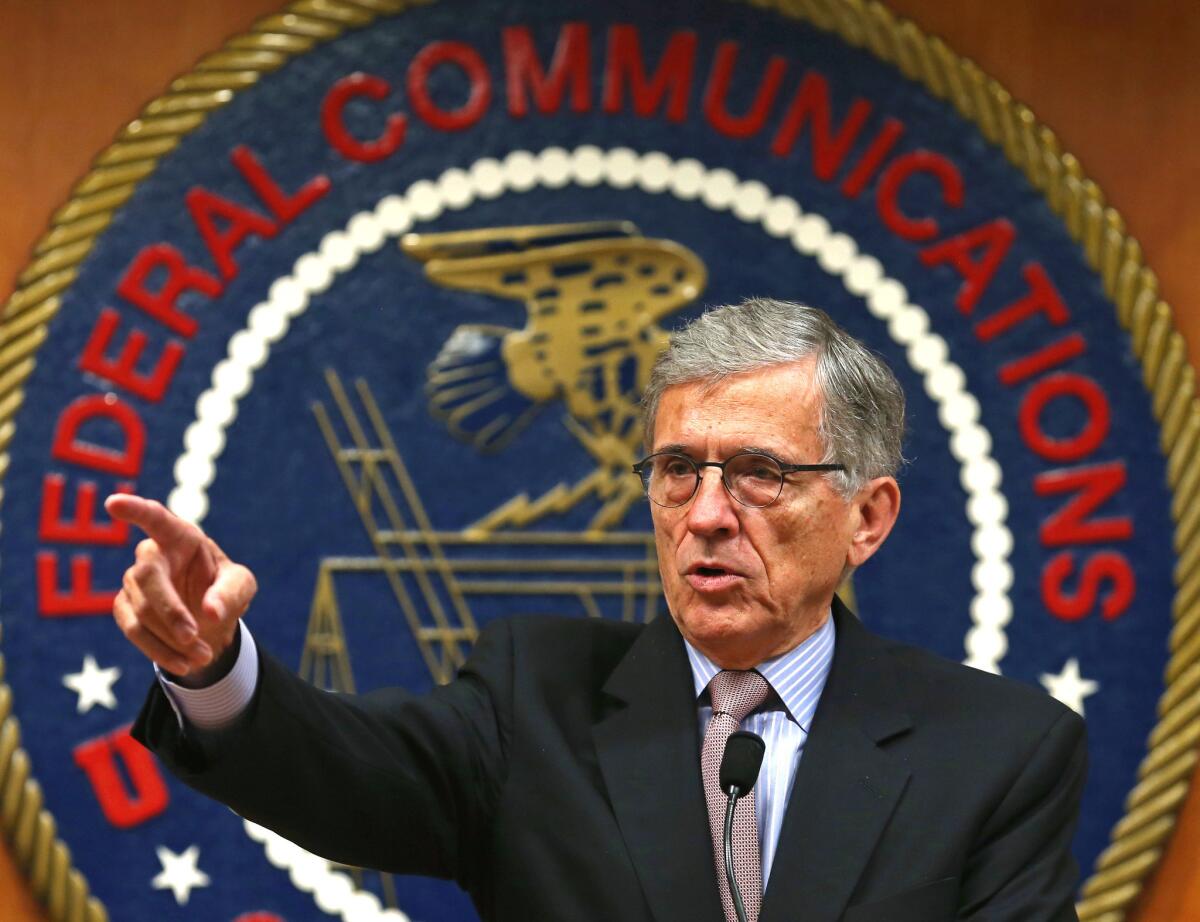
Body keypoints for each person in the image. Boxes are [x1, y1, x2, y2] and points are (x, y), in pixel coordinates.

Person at [110, 298, 1087, 922]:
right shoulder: (535, 698)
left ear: (866, 517)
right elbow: (340, 771)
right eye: (676, 472)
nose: (706, 515)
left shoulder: (997, 751)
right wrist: (212, 668)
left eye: (757, 474)